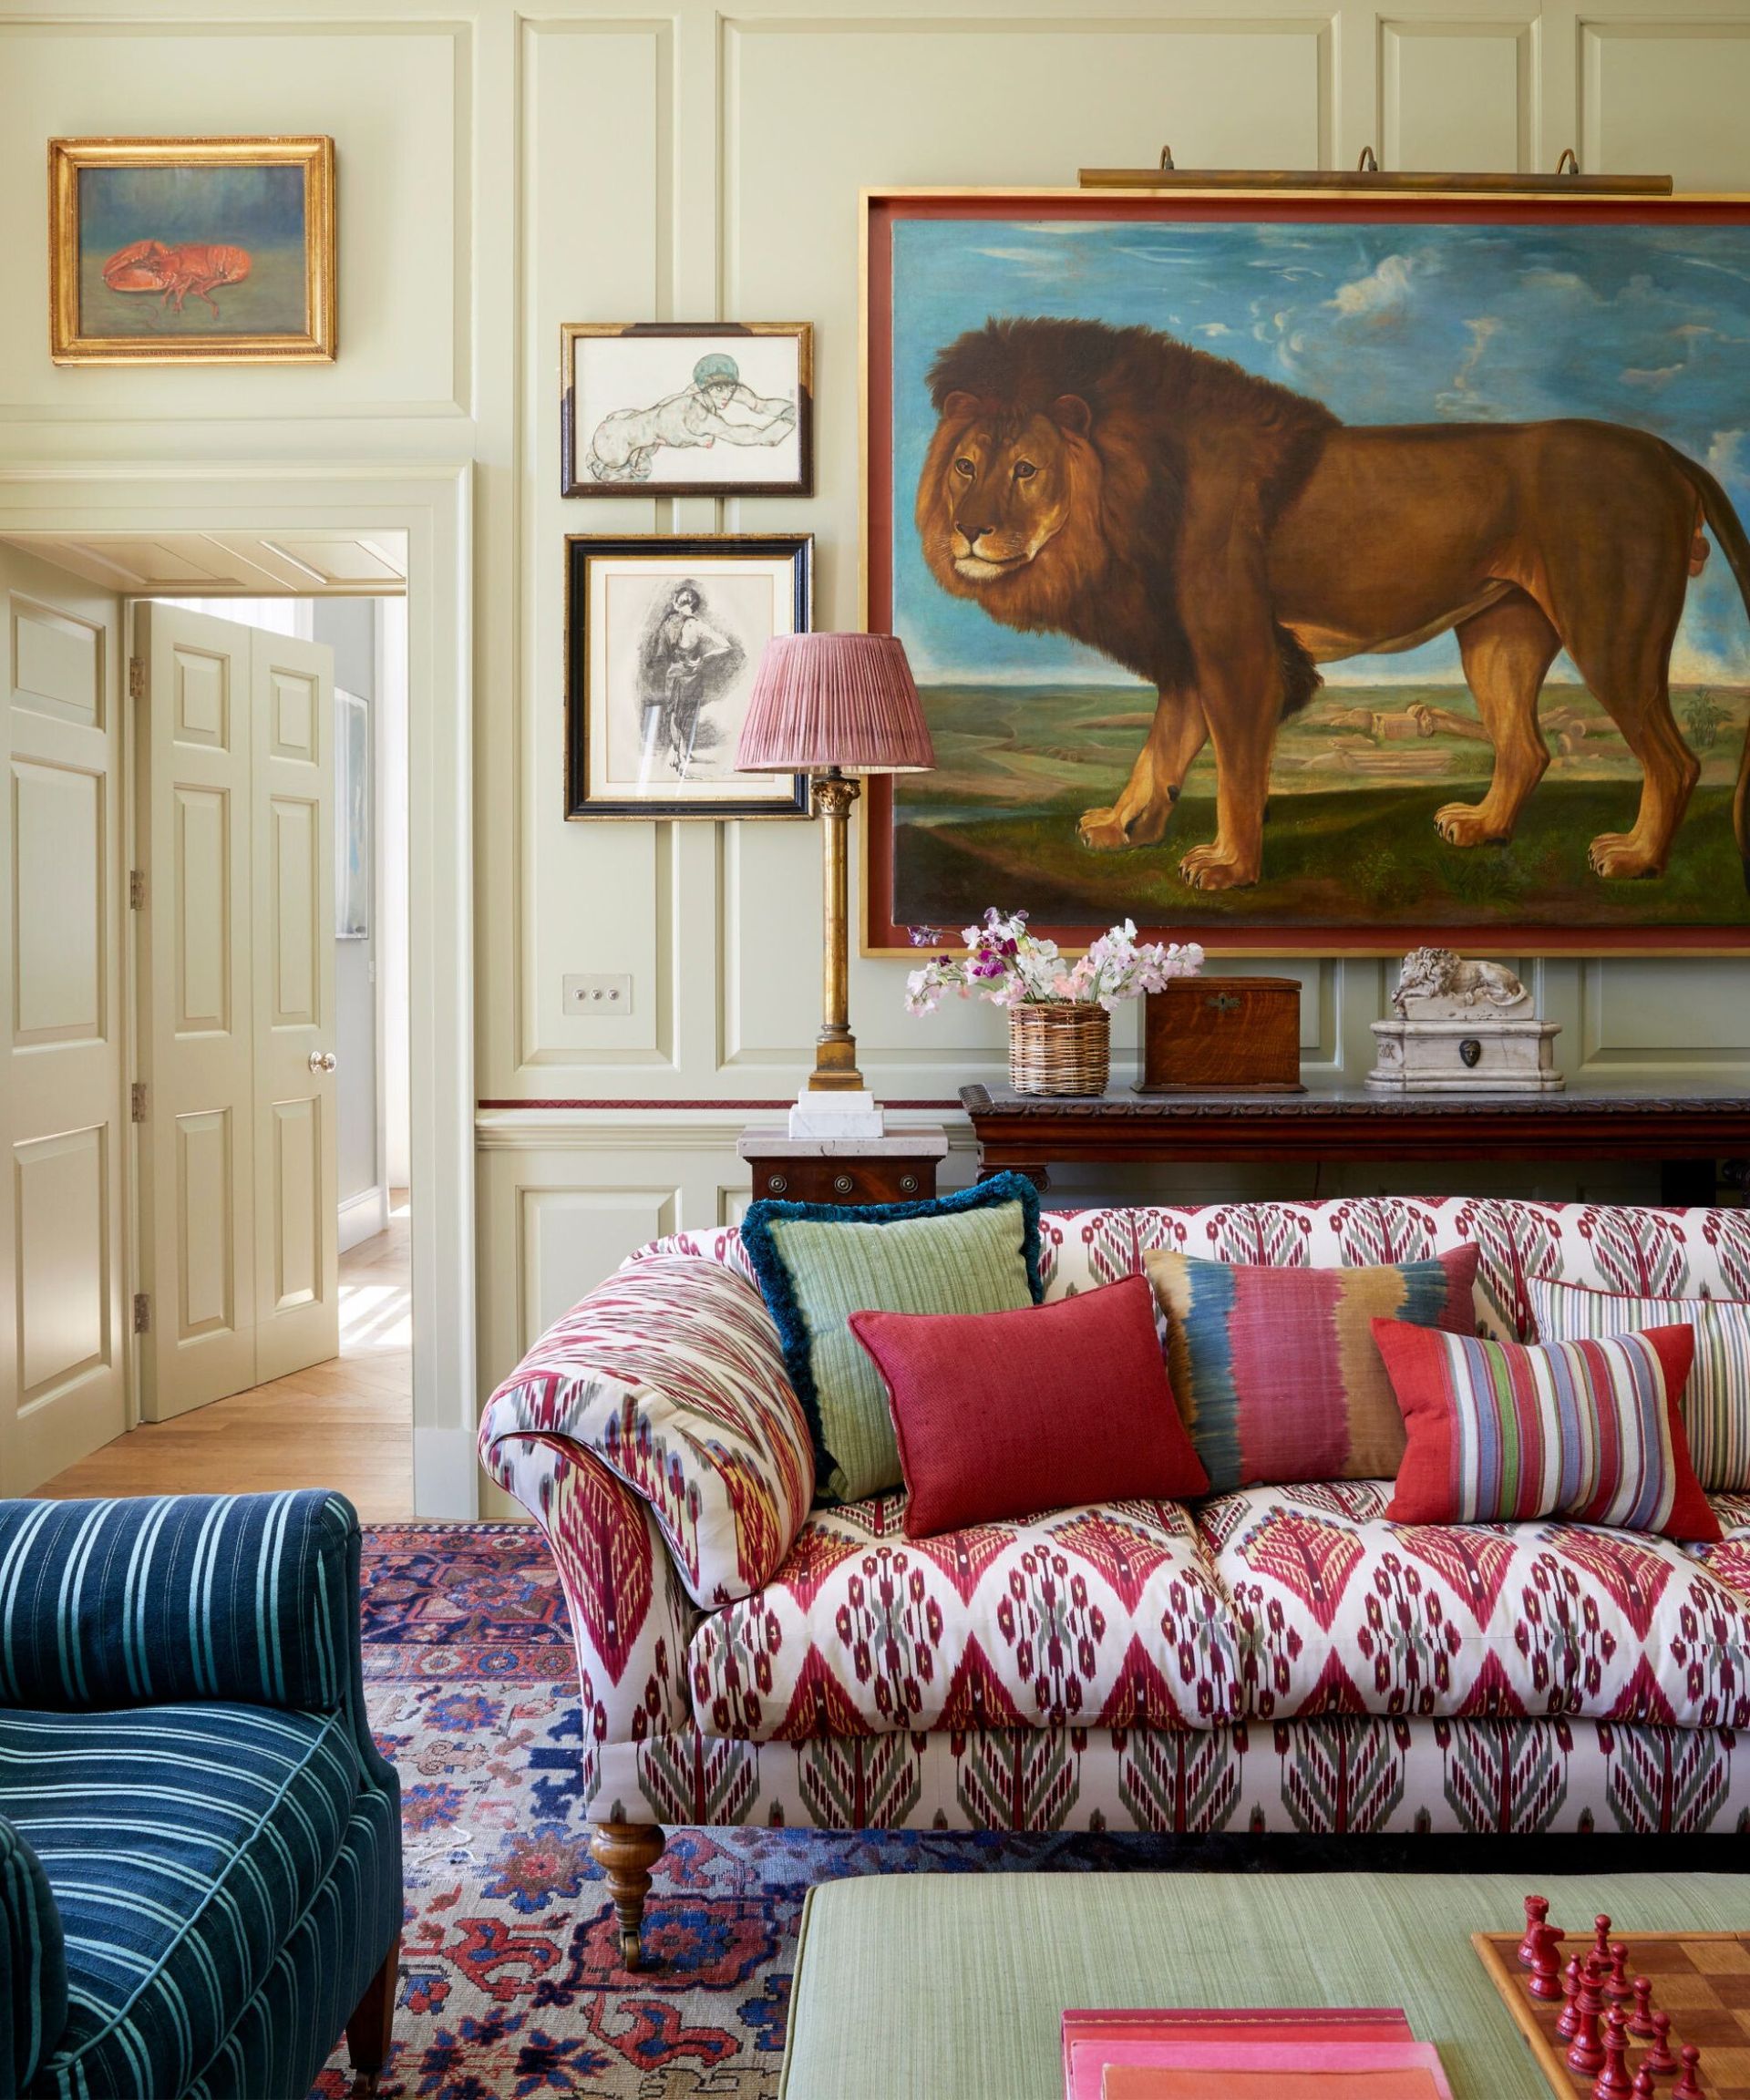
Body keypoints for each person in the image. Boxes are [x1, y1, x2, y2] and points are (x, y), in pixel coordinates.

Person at [586, 353, 796, 483]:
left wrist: (795, 408)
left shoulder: (705, 388)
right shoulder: (697, 413)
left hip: (624, 422)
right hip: (615, 448)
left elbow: (759, 404)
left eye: (730, 387)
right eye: (719, 389)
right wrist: (790, 421)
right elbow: (762, 438)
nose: (726, 395)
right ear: (706, 387)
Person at [638, 584, 737, 778]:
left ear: (681, 603)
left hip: (674, 674)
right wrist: (704, 658)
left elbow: (661, 654)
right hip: (692, 675)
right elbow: (726, 646)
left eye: (677, 601)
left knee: (674, 714)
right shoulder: (698, 625)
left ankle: (678, 753)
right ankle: (684, 752)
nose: (674, 603)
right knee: (689, 714)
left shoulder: (669, 624)